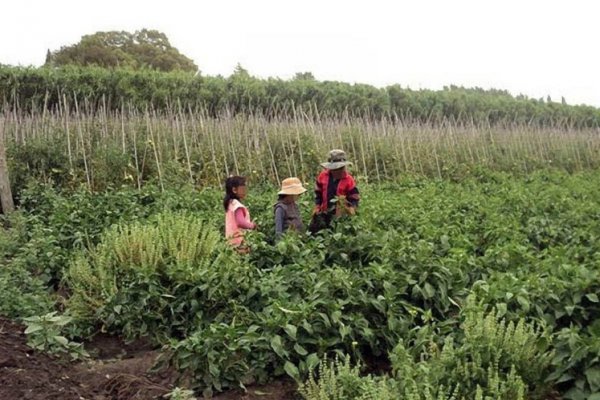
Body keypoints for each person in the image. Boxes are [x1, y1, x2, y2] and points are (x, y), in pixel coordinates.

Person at [309, 149, 360, 233]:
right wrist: (317, 206)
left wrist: (352, 208)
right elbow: (318, 193)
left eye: (341, 168)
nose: (339, 171)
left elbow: (354, 197)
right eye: (335, 169)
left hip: (341, 215)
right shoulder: (323, 176)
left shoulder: (349, 180)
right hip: (323, 213)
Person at [224, 176, 257, 251]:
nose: (245, 191)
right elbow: (241, 223)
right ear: (234, 190)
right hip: (239, 241)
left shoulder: (230, 203)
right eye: (243, 189)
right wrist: (252, 226)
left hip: (231, 241)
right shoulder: (237, 206)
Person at [274, 177, 307, 242]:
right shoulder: (280, 208)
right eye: (298, 194)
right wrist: (279, 244)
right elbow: (278, 230)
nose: (299, 195)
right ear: (289, 194)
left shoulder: (294, 204)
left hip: (298, 240)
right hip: (289, 242)